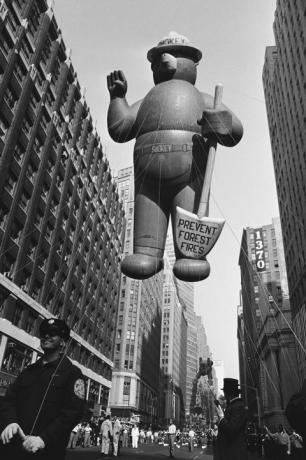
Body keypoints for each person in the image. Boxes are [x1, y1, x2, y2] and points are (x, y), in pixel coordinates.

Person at [0, 318, 85, 460]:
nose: (46, 336)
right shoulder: (28, 371)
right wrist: (10, 422)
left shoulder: (72, 373)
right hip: (12, 450)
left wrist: (44, 439)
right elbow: (9, 400)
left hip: (47, 452)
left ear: (63, 342)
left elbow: (73, 412)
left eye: (53, 333)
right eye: (44, 332)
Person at [214, 378, 248, 460]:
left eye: (225, 391)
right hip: (230, 454)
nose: (224, 394)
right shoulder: (233, 405)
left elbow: (231, 430)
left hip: (233, 455)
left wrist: (221, 417)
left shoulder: (238, 406)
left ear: (228, 393)